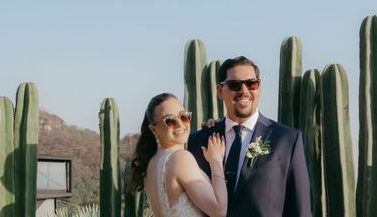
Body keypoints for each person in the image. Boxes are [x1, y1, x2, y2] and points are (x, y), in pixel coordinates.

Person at [187, 57, 312, 217]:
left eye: (251, 83)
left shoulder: (287, 140)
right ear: (219, 90)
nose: (244, 91)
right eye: (234, 85)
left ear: (259, 87)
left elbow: (301, 209)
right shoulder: (199, 140)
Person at [130, 93, 228, 217]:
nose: (180, 124)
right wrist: (215, 161)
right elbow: (219, 211)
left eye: (183, 116)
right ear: (154, 129)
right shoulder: (180, 158)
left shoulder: (151, 162)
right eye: (169, 120)